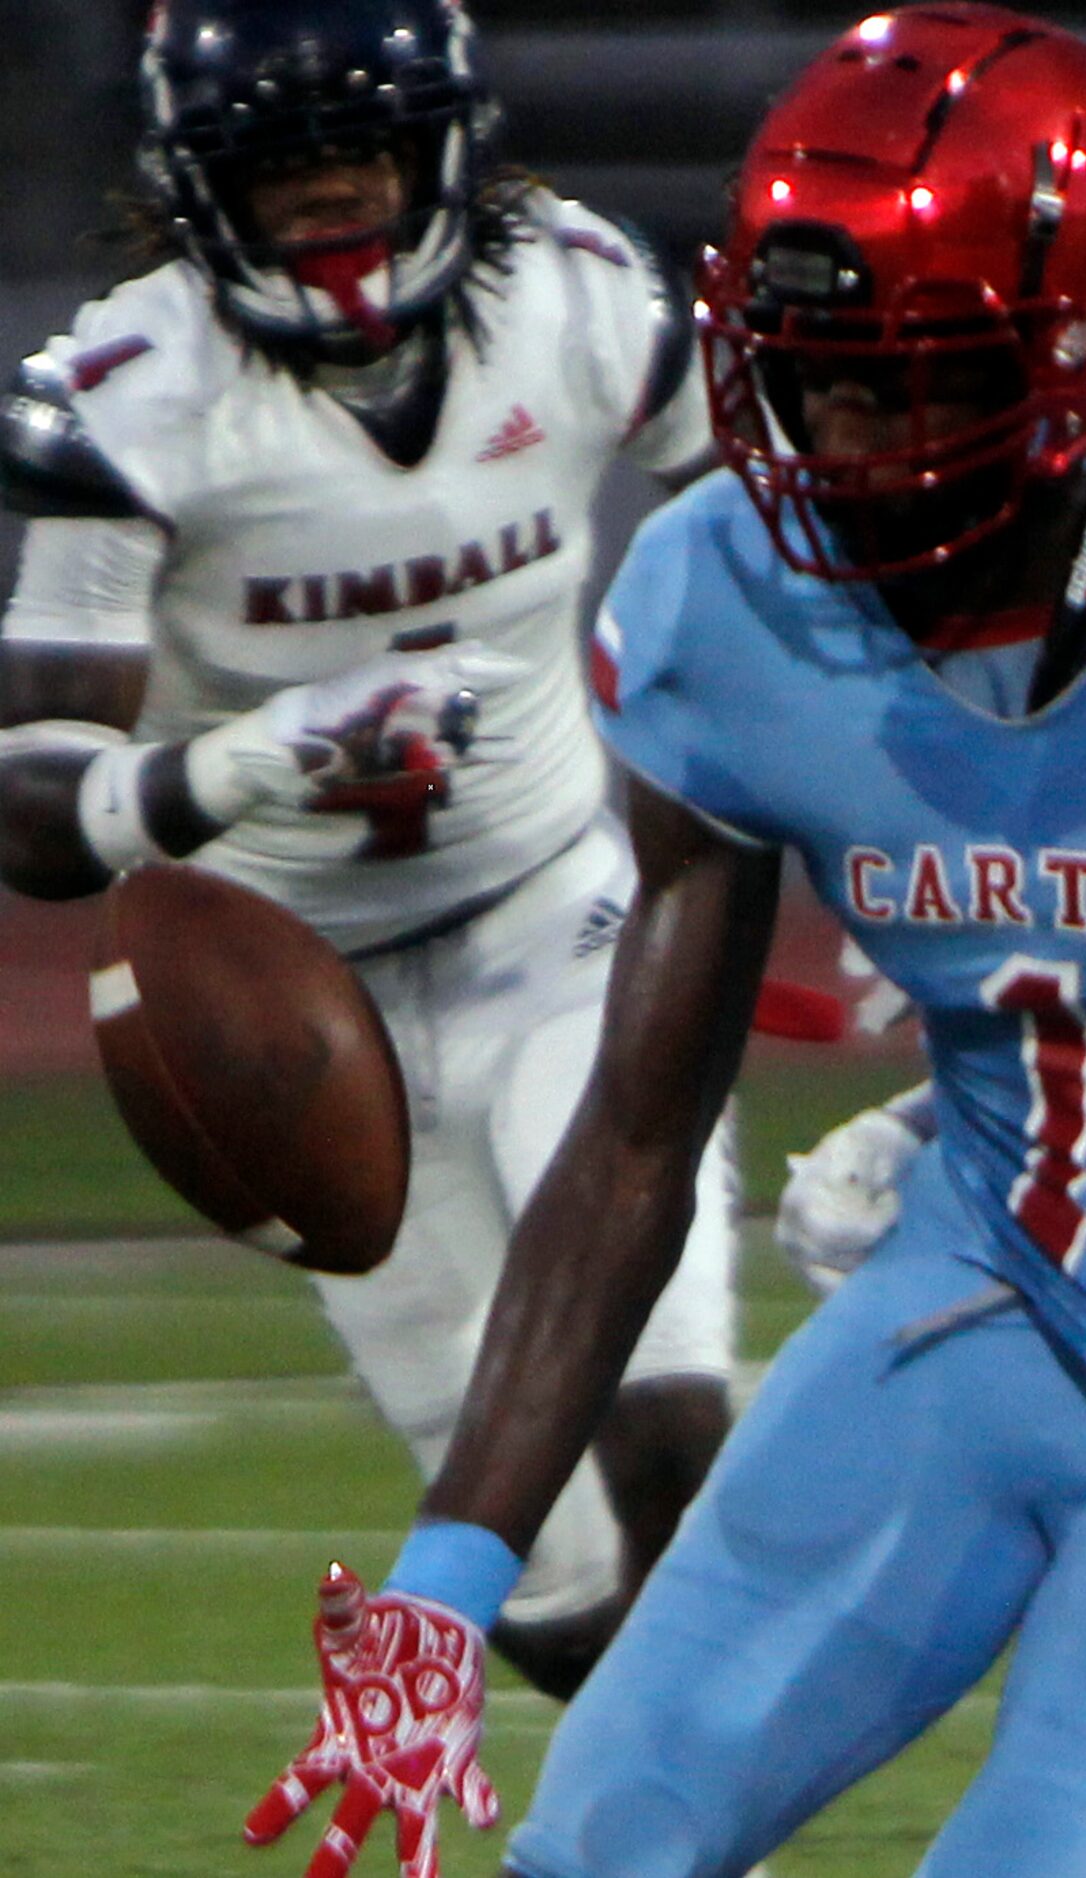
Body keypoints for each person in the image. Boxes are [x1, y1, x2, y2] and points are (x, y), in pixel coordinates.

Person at [244, 9, 1086, 1878]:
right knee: (597, 1843)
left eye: (894, 381)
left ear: (1079, 349)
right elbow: (627, 1144)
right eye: (802, 376)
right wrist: (450, 1581)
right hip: (969, 1307)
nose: (829, 438)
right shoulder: (721, 611)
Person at [0, 0, 737, 1700]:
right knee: (543, 1583)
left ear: (448, 147)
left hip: (563, 914)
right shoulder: (137, 393)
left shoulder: (585, 302)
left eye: (365, 157)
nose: (334, 201)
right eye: (287, 175)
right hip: (282, 993)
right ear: (201, 195)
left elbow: (760, 536)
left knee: (664, 1420)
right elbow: (36, 813)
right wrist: (255, 758)